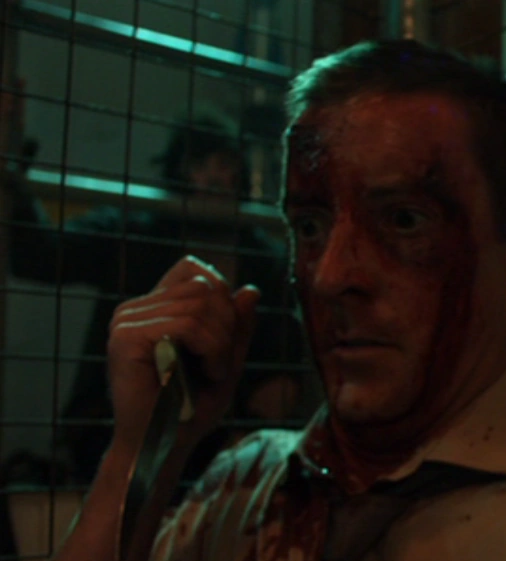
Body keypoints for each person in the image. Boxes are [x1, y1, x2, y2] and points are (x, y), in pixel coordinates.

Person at [45, 39, 506, 561]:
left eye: (404, 220)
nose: (330, 277)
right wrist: (145, 446)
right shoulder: (239, 487)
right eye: (309, 227)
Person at [2, 103, 305, 487]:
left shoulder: (264, 259)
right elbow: (39, 257)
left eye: (224, 164)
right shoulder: (134, 234)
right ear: (179, 171)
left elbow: (284, 366)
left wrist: (249, 436)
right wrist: (11, 156)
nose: (213, 177)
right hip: (117, 430)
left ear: (240, 172)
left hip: (220, 444)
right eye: (199, 165)